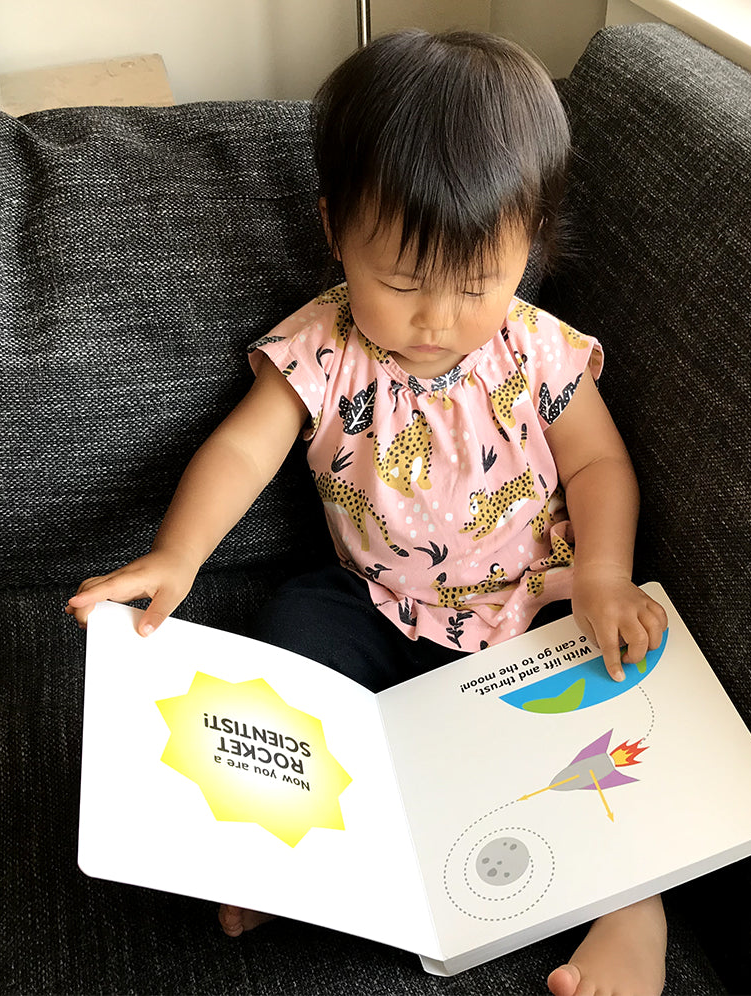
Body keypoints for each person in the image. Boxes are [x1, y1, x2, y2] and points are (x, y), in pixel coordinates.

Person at [66, 28, 668, 996]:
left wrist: (600, 575)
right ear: (334, 229)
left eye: (475, 283)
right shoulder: (321, 345)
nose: (435, 316)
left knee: (604, 723)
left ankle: (632, 909)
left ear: (531, 244)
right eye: (399, 280)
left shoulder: (540, 352)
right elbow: (242, 446)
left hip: (529, 602)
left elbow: (599, 462)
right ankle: (279, 850)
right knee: (284, 654)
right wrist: (175, 558)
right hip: (373, 600)